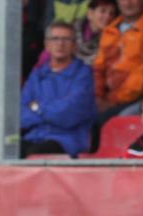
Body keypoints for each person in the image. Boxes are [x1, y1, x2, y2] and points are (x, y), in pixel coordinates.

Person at [20, 20, 96, 157]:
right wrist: (52, 111)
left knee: (34, 155)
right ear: (46, 45)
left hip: (68, 142)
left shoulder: (83, 74)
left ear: (74, 45)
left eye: (66, 39)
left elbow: (68, 115)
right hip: (34, 137)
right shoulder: (37, 74)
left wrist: (37, 108)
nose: (60, 43)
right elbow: (21, 116)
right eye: (55, 39)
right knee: (6, 153)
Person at [93, 0, 143, 123]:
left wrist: (113, 100)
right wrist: (97, 96)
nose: (128, 3)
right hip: (106, 96)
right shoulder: (110, 29)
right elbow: (98, 68)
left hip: (135, 97)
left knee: (102, 122)